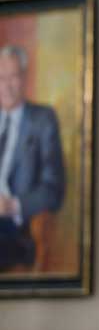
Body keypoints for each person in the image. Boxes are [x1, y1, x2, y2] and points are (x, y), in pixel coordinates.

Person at [0, 45, 66, 269]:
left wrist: (12, 206)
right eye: (1, 78)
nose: (6, 87)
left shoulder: (42, 120)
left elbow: (53, 189)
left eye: (13, 77)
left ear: (24, 78)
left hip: (16, 231)